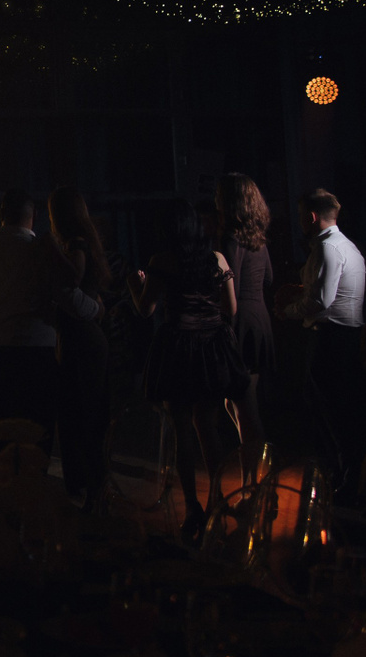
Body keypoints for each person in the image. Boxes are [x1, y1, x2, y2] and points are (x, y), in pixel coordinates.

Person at [127, 199, 247, 543]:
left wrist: (135, 284)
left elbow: (146, 310)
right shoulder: (217, 259)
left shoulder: (163, 261)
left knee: (181, 430)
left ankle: (193, 506)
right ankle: (218, 501)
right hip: (211, 349)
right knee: (207, 426)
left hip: (178, 348)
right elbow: (231, 309)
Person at [0, 190, 95, 445]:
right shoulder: (42, 252)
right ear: (34, 216)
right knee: (35, 439)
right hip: (35, 356)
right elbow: (69, 297)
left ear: (1, 214)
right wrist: (97, 308)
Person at [282, 187, 366, 500]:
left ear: (311, 217)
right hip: (347, 337)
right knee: (340, 410)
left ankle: (345, 477)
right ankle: (348, 475)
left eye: (300, 216)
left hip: (331, 339)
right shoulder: (347, 246)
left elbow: (320, 301)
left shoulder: (327, 248)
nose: (299, 222)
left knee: (331, 411)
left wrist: (288, 311)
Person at [48, 188, 112, 507]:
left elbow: (69, 288)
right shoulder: (84, 243)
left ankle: (91, 490)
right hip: (85, 339)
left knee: (80, 416)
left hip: (81, 340)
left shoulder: (75, 246)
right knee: (83, 415)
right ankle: (92, 488)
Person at [215, 173, 275, 486]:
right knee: (238, 403)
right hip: (260, 319)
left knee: (245, 409)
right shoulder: (258, 239)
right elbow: (269, 279)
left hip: (241, 324)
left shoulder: (230, 238)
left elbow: (231, 292)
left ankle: (257, 486)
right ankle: (257, 482)